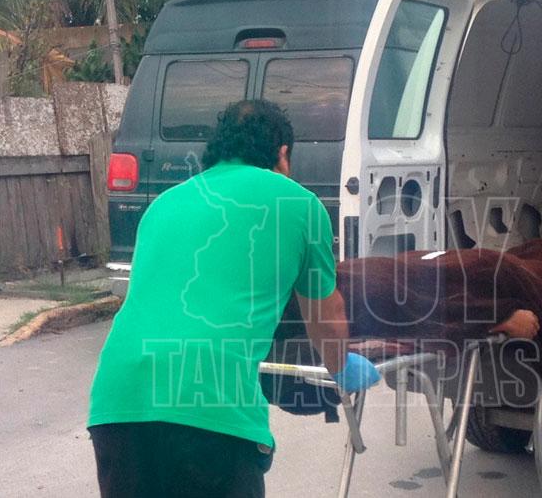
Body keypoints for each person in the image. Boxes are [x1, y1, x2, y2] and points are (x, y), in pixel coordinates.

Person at [87, 100, 380, 498]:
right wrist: (341, 366)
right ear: (282, 154)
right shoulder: (298, 202)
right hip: (209, 406)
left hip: (117, 403)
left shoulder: (163, 205)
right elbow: (326, 314)